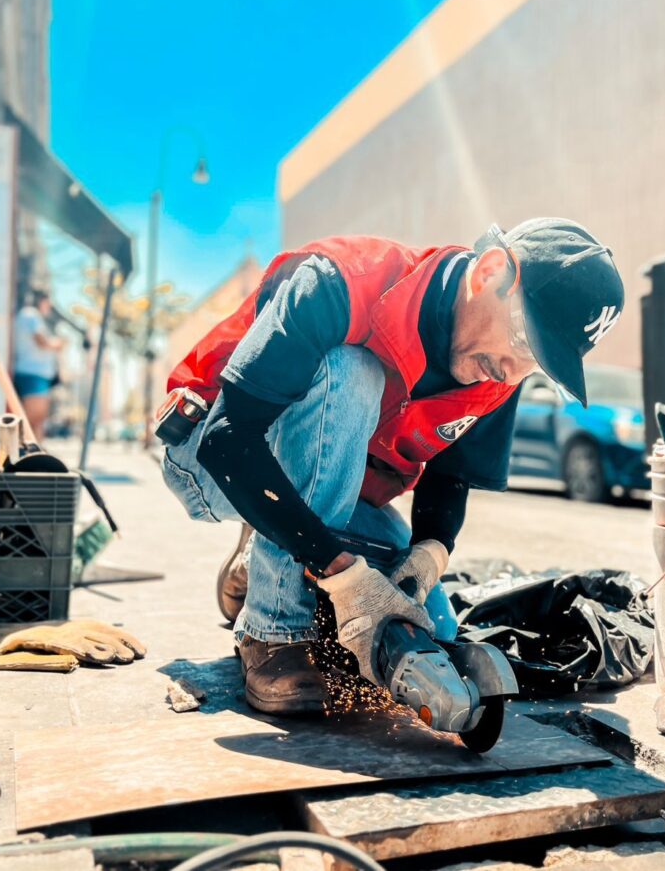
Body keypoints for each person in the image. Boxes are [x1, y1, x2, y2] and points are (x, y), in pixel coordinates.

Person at [161, 218, 624, 714]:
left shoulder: (496, 369)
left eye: (539, 362)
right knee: (351, 371)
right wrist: (342, 575)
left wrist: (429, 557)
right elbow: (226, 441)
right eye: (524, 339)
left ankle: (264, 557)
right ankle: (273, 632)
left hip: (329, 490)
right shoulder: (343, 282)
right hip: (209, 458)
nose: (515, 370)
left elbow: (452, 478)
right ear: (490, 272)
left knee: (428, 623)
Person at [12, 290, 63, 440]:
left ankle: (36, 453)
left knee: (36, 421)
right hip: (32, 373)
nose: (50, 307)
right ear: (41, 301)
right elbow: (41, 341)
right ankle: (31, 456)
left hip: (34, 374)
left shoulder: (29, 316)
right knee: (34, 419)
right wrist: (58, 344)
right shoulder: (30, 314)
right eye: (48, 303)